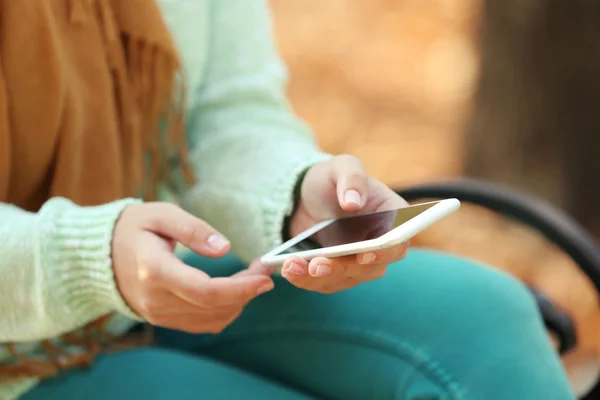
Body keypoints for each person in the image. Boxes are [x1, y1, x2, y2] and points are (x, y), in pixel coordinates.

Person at [0, 1, 574, 399]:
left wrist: (295, 194)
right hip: (16, 351)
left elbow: (228, 112)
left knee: (484, 317)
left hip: (155, 277)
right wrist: (88, 262)